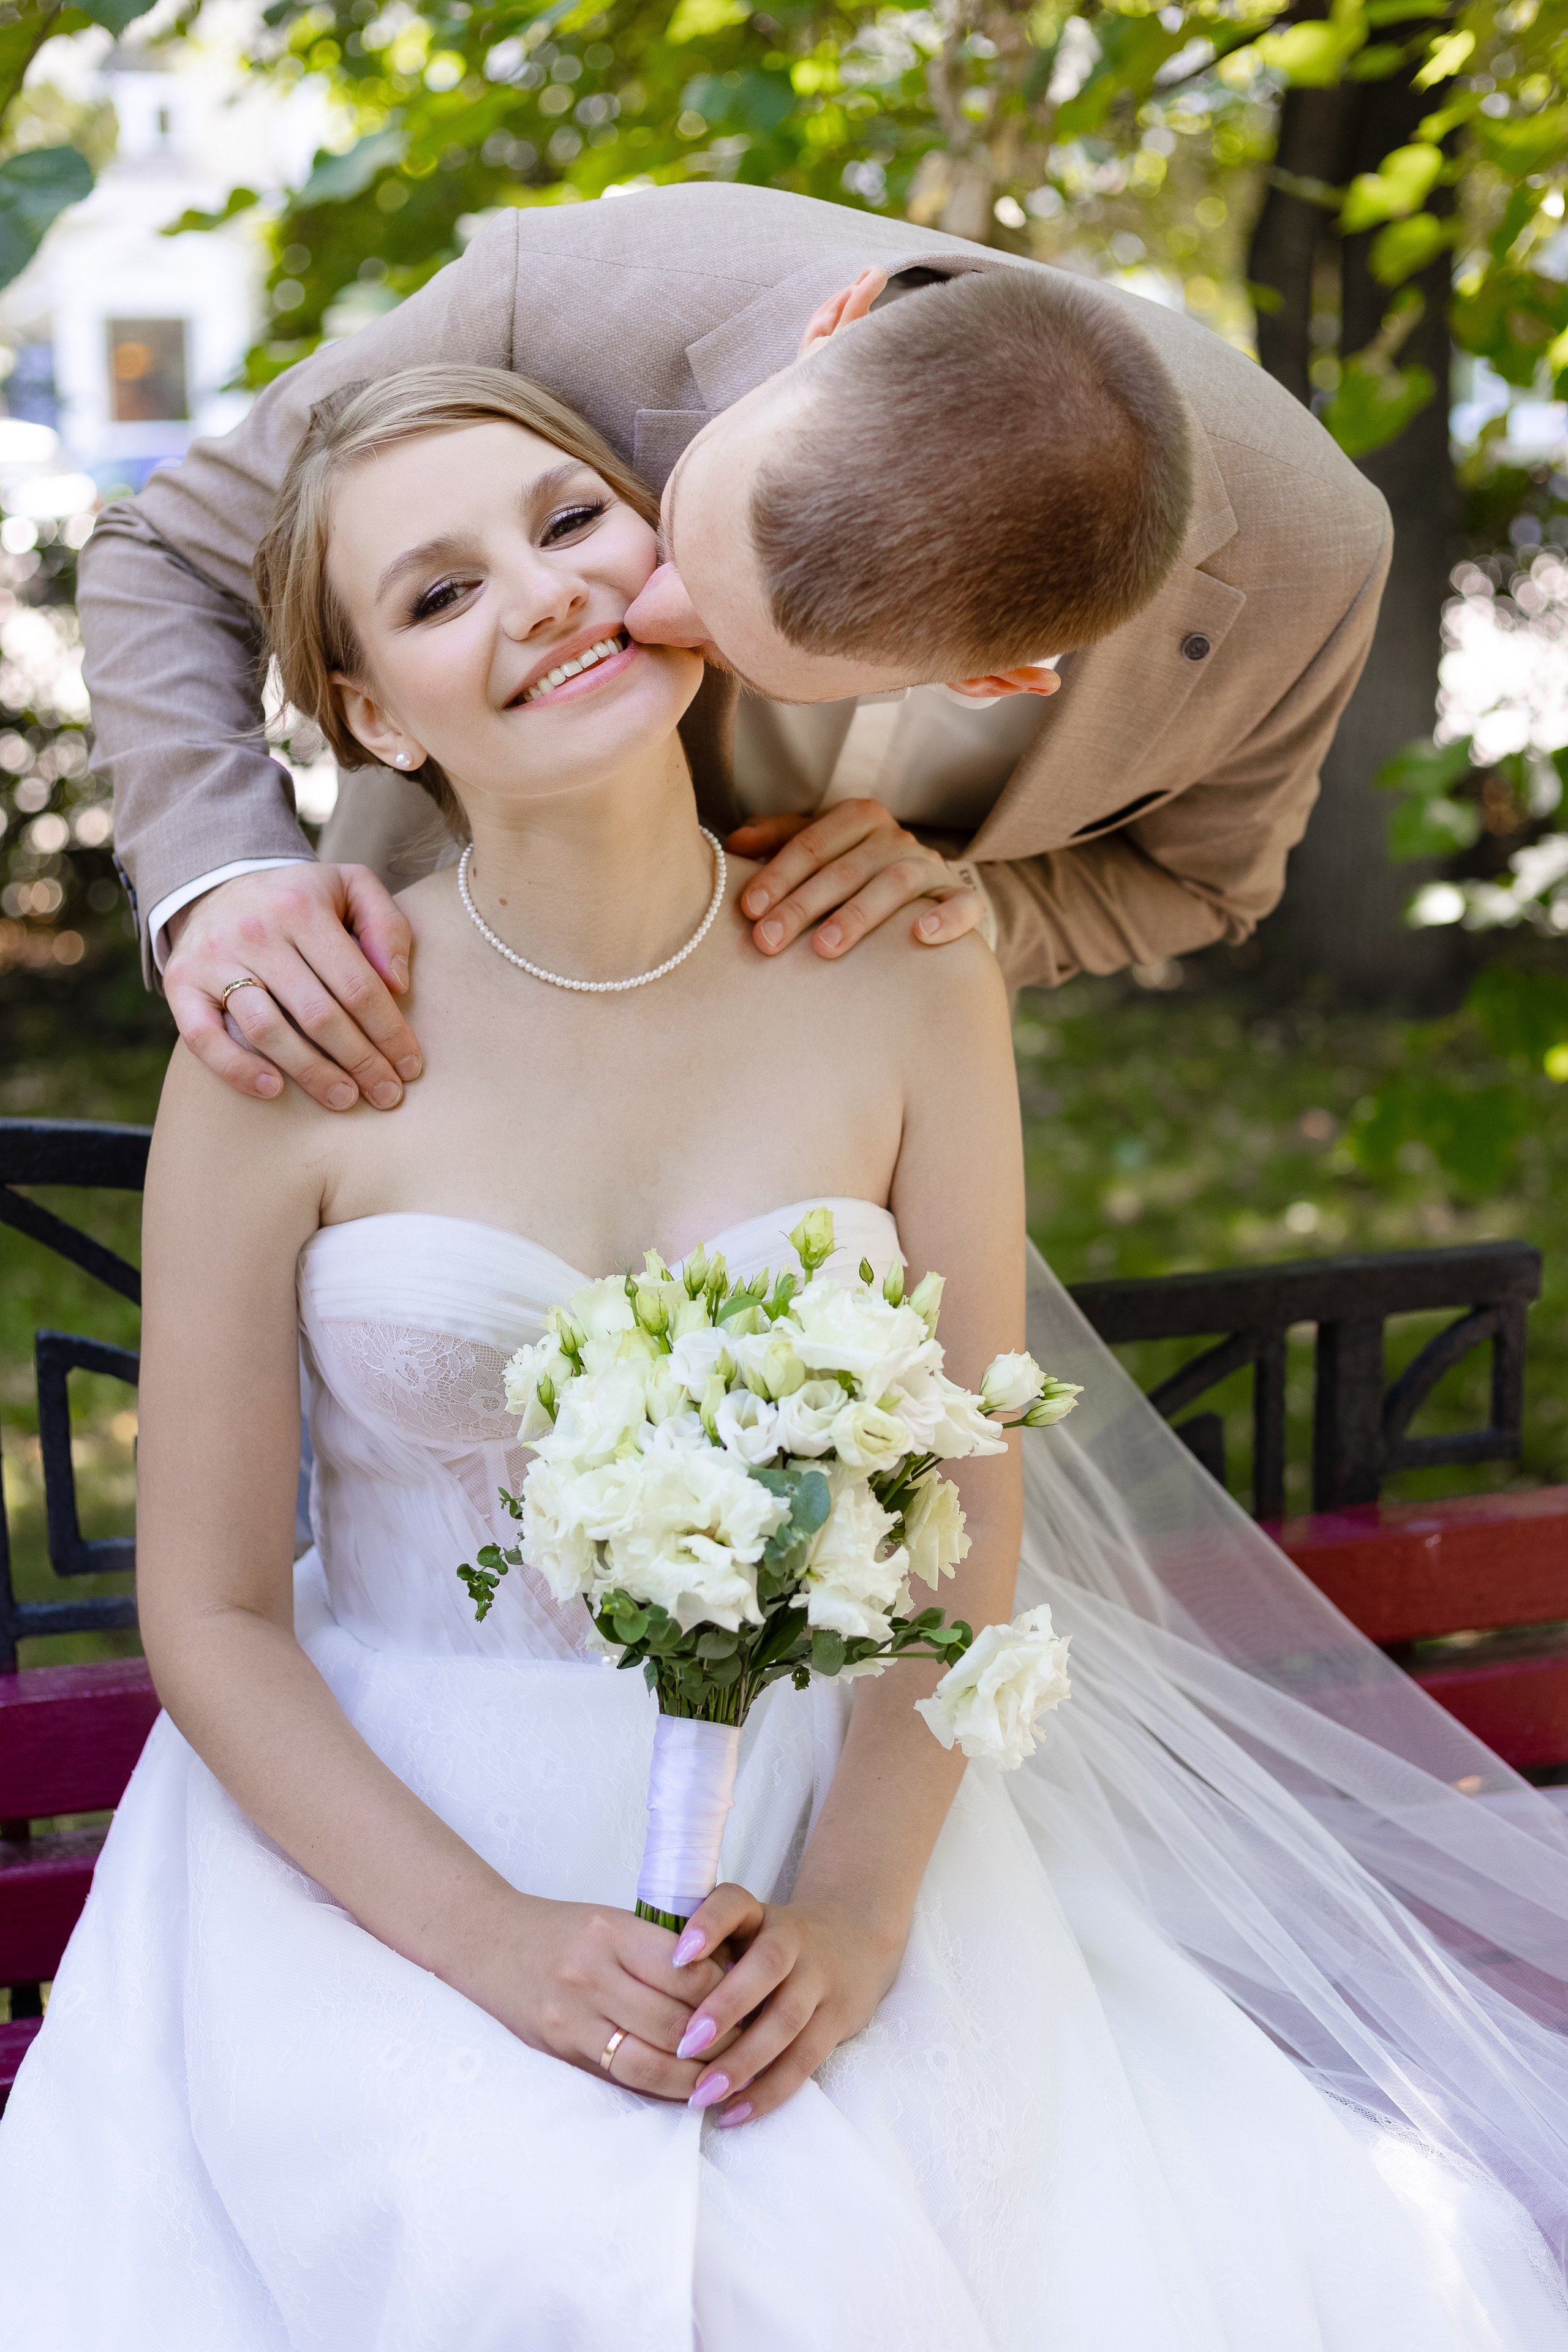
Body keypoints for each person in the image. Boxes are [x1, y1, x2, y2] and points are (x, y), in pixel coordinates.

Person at [6, 364, 1564, 2351]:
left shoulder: (906, 970)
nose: (544, 594)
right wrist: (497, 1948)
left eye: (571, 524)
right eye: (435, 590)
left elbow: (965, 1528)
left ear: (668, 561)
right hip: (396, 1837)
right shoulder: (297, 1046)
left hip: (834, 1798)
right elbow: (210, 1610)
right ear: (376, 718)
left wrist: (856, 1917)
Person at [81, 181, 1389, 1120]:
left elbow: (1198, 887)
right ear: (834, 325)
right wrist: (223, 873)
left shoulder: (1308, 572)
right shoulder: (578, 295)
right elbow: (169, 551)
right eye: (669, 528)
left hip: (821, 1130)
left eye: (724, 640)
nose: (639, 618)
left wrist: (965, 904)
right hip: (411, 1056)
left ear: (994, 681)